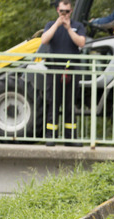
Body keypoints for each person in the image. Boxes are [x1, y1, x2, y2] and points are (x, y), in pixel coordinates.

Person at [40, 1, 86, 146]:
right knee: (53, 103)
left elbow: (81, 43)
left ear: (71, 11)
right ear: (57, 11)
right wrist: (57, 24)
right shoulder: (50, 25)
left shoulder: (77, 26)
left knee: (70, 104)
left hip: (71, 69)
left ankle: (70, 137)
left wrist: (69, 29)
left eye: (66, 11)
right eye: (61, 11)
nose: (64, 14)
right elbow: (44, 40)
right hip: (54, 68)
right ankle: (51, 136)